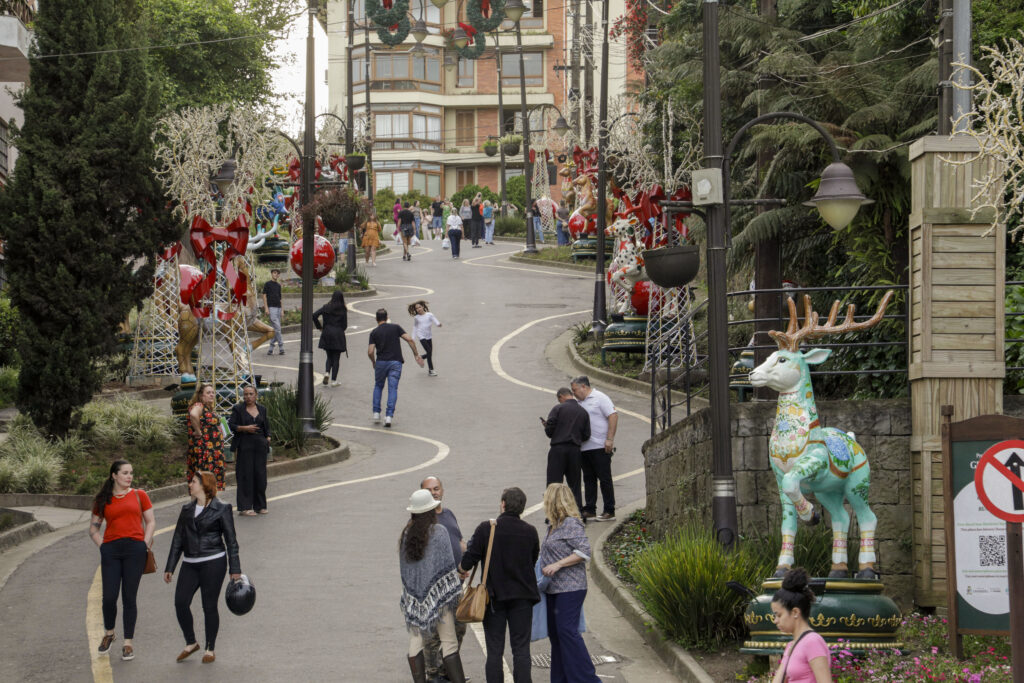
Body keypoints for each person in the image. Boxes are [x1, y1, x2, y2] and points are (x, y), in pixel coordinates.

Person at [460, 487, 539, 683]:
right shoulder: (530, 532)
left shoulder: (487, 529)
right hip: (523, 597)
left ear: (503, 504)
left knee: (495, 650)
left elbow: (469, 559)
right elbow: (533, 560)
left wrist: (461, 568)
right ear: (522, 507)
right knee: (521, 649)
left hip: (494, 598)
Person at [163, 471, 242, 665]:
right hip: (190, 563)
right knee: (180, 602)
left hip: (213, 561)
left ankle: (209, 648)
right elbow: (178, 539)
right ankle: (191, 642)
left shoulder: (222, 508)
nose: (190, 484)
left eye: (194, 482)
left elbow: (231, 541)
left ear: (204, 485)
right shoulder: (186, 509)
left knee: (209, 606)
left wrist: (235, 569)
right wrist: (170, 567)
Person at [90, 460, 156, 662]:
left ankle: (128, 643)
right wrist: (103, 546)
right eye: (125, 473)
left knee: (129, 597)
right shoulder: (103, 499)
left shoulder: (139, 495)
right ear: (114, 475)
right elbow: (93, 529)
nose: (129, 477)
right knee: (109, 597)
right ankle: (109, 633)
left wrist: (144, 544)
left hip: (135, 550)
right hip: (111, 551)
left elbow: (151, 521)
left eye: (131, 473)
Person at [400, 489, 467, 683]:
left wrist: (414, 595)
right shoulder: (439, 531)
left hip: (415, 600)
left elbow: (405, 570)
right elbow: (448, 566)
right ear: (430, 510)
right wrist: (453, 588)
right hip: (440, 599)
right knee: (449, 641)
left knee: (416, 642)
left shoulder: (406, 534)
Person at [540, 483, 600, 683]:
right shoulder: (552, 525)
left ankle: (587, 679)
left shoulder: (571, 523)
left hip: (571, 587)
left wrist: (558, 564)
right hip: (553, 588)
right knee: (556, 636)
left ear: (554, 501)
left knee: (567, 631)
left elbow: (584, 551)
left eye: (546, 498)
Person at [420, 477, 468, 682]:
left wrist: (465, 561)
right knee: (433, 635)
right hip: (435, 588)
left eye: (436, 488)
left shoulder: (448, 514)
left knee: (459, 628)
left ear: (442, 490)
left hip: (456, 586)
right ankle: (433, 675)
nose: (434, 493)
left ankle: (445, 670)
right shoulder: (423, 521)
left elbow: (460, 541)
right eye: (429, 490)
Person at [770, 568, 832, 683]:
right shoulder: (791, 645)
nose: (775, 621)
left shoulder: (812, 642)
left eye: (779, 615)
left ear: (795, 612)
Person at [570, 376, 618, 521]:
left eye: (575, 390)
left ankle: (609, 510)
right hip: (584, 447)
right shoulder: (578, 403)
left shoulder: (600, 398)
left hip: (600, 445)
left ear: (583, 387)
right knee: (588, 479)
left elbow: (613, 415)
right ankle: (590, 508)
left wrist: (609, 439)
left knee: (604, 478)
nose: (574, 393)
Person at [368, 308, 425, 427]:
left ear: (376, 319)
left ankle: (376, 413)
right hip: (395, 362)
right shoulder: (395, 327)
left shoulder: (374, 332)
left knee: (378, 386)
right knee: (392, 388)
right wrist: (416, 354)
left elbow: (370, 351)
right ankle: (389, 416)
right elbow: (409, 339)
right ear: (387, 317)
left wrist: (373, 362)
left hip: (381, 362)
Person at [541, 388, 591, 513]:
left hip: (558, 450)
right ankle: (577, 511)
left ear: (561, 397)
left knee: (553, 484)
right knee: (575, 484)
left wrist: (547, 427)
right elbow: (586, 435)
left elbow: (550, 431)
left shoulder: (557, 409)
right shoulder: (583, 412)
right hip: (575, 451)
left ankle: (553, 513)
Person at [228, 385, 271, 516]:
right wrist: (244, 428)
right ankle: (245, 507)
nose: (248, 396)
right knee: (245, 475)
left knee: (260, 475)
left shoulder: (262, 409)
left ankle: (260, 506)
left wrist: (268, 438)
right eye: (246, 394)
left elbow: (266, 426)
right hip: (244, 445)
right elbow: (231, 425)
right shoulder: (238, 409)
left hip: (260, 446)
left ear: (256, 395)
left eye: (251, 394)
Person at [188, 383, 225, 491]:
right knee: (205, 482)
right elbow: (193, 414)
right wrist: (198, 431)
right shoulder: (199, 406)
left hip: (213, 451)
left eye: (213, 392)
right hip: (205, 451)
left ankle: (210, 500)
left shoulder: (208, 408)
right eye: (208, 393)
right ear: (201, 395)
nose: (212, 395)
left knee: (209, 482)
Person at [313, 290, 349, 387]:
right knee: (336, 358)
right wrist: (340, 329)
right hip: (338, 334)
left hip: (327, 333)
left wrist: (320, 327)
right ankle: (334, 380)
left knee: (329, 356)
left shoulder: (326, 307)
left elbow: (314, 315)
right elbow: (345, 325)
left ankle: (327, 372)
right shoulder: (343, 309)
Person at [408, 300, 441, 377]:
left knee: (430, 353)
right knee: (429, 351)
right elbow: (415, 327)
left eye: (419, 307)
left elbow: (434, 319)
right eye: (416, 308)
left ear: (423, 307)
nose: (418, 309)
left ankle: (421, 357)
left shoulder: (429, 315)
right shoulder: (417, 317)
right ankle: (431, 370)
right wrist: (413, 337)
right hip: (421, 336)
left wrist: (438, 323)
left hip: (429, 336)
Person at [260, 268, 284, 355]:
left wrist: (282, 310)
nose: (276, 274)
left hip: (278, 308)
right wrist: (266, 308)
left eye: (277, 273)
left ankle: (271, 348)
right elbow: (264, 296)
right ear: (272, 274)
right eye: (274, 273)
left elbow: (280, 298)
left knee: (275, 329)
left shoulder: (278, 285)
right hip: (271, 308)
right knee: (278, 328)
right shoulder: (267, 284)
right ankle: (281, 347)